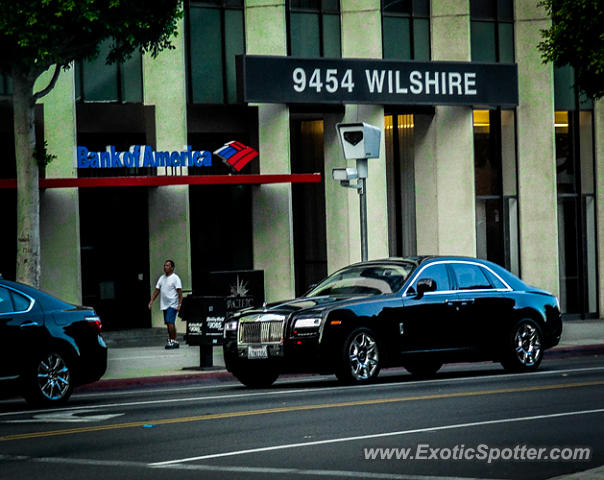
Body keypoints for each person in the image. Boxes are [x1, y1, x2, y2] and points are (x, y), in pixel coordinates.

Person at [149, 259, 183, 349]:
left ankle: (173, 340)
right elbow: (157, 290)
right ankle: (173, 340)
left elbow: (179, 292)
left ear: (172, 267)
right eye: (164, 265)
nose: (165, 267)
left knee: (170, 322)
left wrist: (179, 304)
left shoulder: (175, 278)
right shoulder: (162, 278)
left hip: (173, 304)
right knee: (168, 323)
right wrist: (152, 300)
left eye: (167, 266)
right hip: (164, 304)